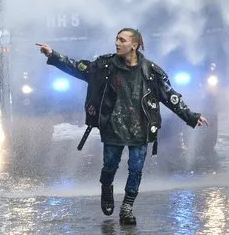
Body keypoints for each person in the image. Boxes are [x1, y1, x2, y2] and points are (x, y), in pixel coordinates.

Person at [36, 28, 209, 226]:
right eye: (116, 39)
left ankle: (127, 207)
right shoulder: (104, 66)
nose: (117, 43)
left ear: (134, 45)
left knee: (135, 169)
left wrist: (192, 116)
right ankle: (106, 187)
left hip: (141, 129)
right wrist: (53, 55)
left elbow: (170, 96)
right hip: (113, 127)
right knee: (110, 166)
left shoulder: (151, 71)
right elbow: (79, 68)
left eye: (122, 40)